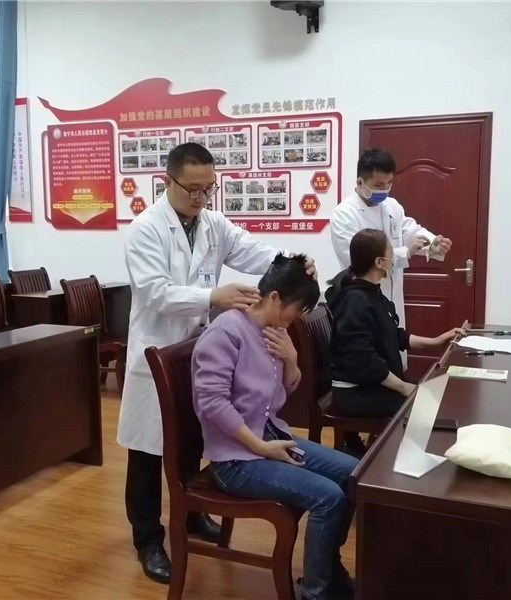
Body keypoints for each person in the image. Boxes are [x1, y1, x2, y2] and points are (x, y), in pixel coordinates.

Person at [118, 143, 315, 584]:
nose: (202, 197)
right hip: (157, 350)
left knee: (191, 440)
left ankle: (191, 516)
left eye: (209, 188)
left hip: (194, 349)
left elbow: (251, 250)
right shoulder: (146, 229)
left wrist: (291, 260)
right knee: (148, 452)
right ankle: (148, 539)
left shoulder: (211, 222)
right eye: (193, 189)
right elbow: (154, 292)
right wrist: (213, 296)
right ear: (167, 181)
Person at [193, 254, 358, 600]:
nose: (295, 318)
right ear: (274, 298)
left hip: (270, 436)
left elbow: (283, 391)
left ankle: (327, 569)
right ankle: (316, 592)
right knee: (329, 497)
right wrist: (260, 447)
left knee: (354, 474)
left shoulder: (274, 330)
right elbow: (212, 403)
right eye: (295, 310)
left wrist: (291, 359)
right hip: (235, 459)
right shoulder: (226, 331)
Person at [326, 229, 465, 456]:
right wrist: (403, 387)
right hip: (355, 392)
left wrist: (436, 341)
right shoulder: (355, 301)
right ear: (379, 262)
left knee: (434, 395)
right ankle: (397, 464)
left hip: (372, 383)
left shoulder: (371, 293)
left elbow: (394, 335)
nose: (394, 257)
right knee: (424, 406)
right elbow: (364, 359)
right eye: (391, 252)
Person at [330, 148, 454, 365]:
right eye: (379, 185)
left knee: (395, 348)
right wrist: (406, 252)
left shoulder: (391, 206)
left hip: (390, 295)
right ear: (360, 182)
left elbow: (409, 229)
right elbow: (359, 260)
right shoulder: (343, 215)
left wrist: (432, 242)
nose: (385, 190)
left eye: (389, 184)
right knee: (373, 359)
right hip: (362, 298)